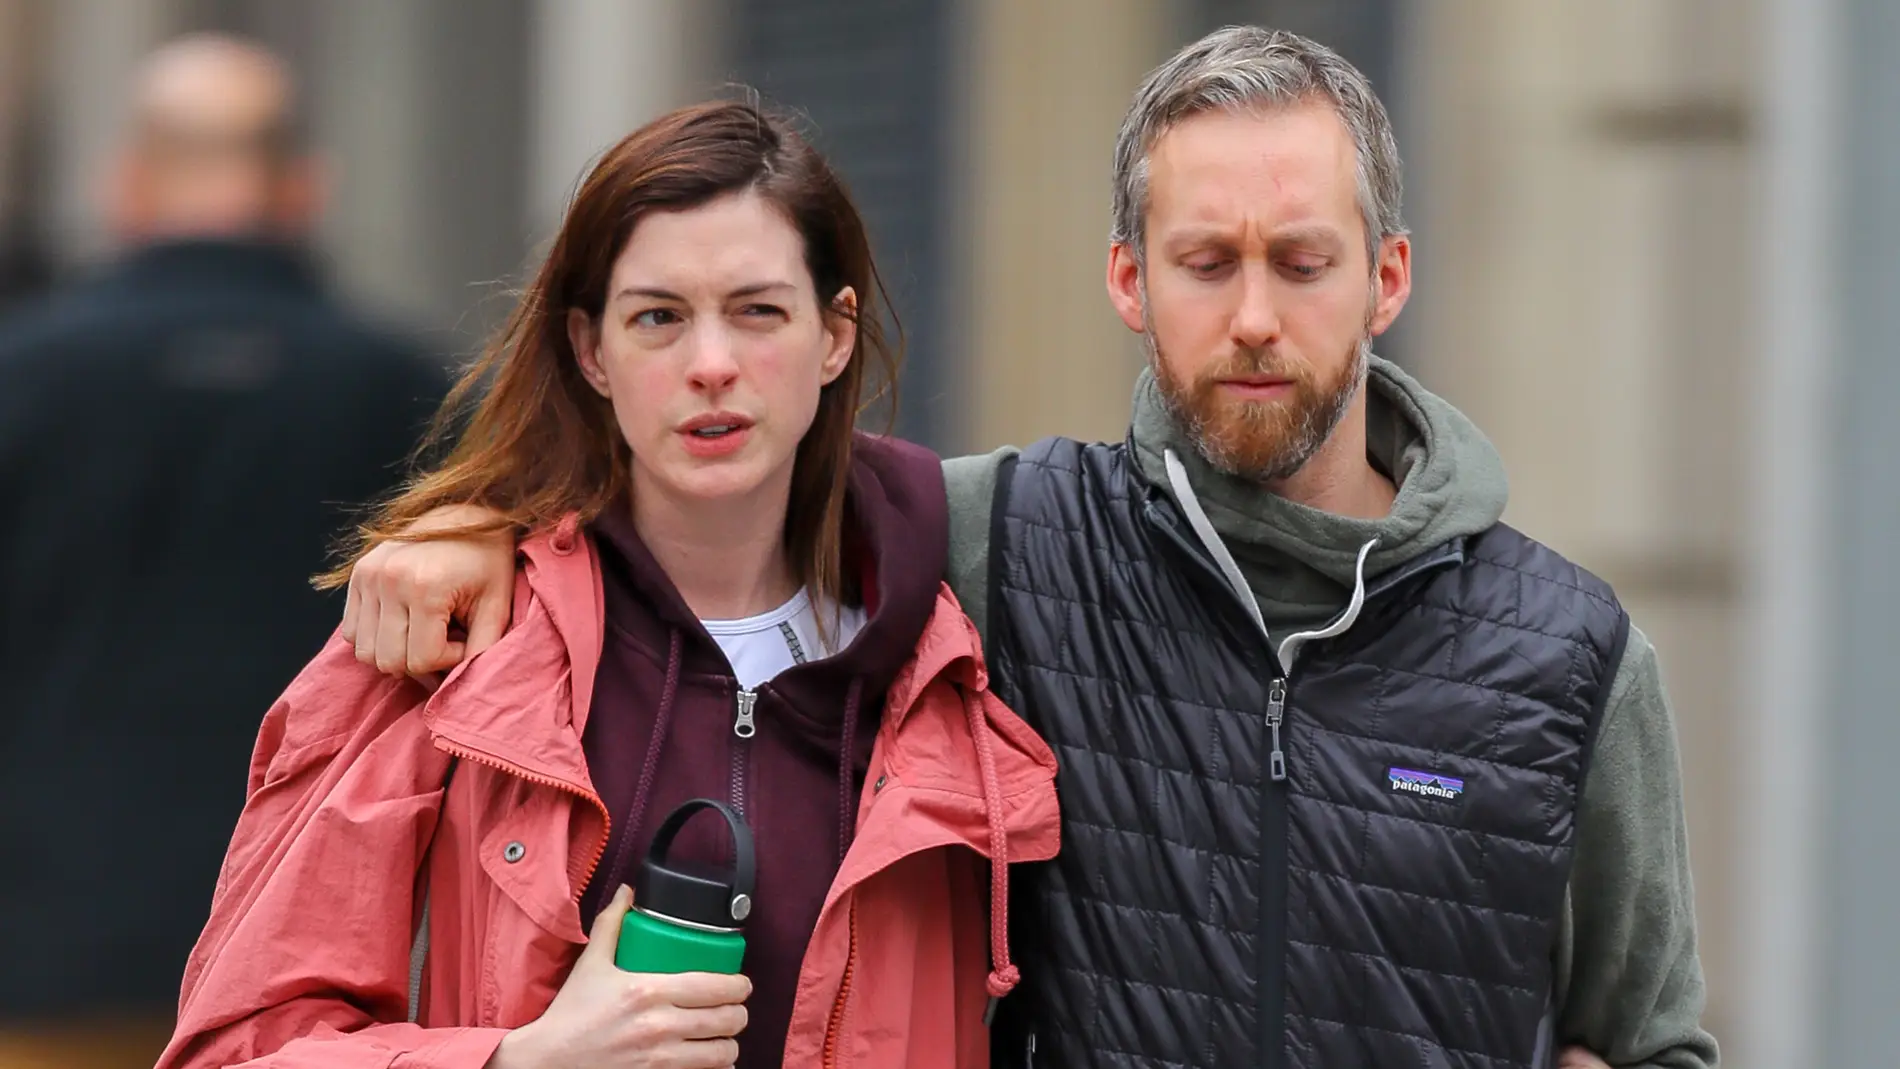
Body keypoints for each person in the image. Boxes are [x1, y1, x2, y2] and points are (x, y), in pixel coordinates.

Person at [329, 26, 1719, 1069]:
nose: (1250, 317)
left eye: (1300, 263)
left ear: (1387, 279)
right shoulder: (1007, 542)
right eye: (1203, 261)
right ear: (1129, 278)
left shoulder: (1574, 657)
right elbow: (717, 462)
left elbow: (1656, 1040)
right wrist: (486, 531)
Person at [155, 98, 1057, 1069]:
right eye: (658, 318)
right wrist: (521, 1061)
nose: (711, 365)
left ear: (834, 334)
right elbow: (236, 1048)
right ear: (592, 351)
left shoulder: (963, 649)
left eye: (758, 311)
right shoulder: (449, 644)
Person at [0, 35, 446, 1069]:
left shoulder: (21, 379)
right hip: (312, 971)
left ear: (130, 183)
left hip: (44, 953)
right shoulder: (409, 393)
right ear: (302, 188)